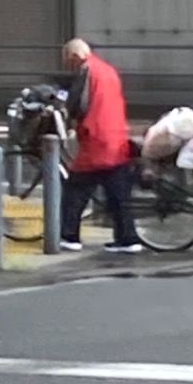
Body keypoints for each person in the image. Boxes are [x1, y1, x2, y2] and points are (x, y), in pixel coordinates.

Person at [59, 38, 142, 254]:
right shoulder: (108, 70)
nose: (70, 68)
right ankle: (128, 239)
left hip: (95, 139)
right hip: (116, 137)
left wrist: (70, 116)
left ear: (76, 56)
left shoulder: (87, 70)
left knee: (74, 190)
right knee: (118, 194)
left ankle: (69, 237)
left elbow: (79, 103)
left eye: (69, 62)